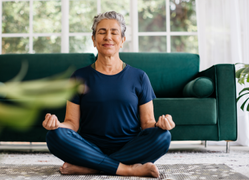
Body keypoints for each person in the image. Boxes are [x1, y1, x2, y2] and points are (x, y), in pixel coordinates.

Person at [42, 11, 175, 178]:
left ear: (122, 40)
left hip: (130, 147)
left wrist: (161, 125)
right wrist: (56, 125)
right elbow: (72, 124)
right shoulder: (79, 76)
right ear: (93, 39)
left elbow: (148, 123)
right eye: (102, 32)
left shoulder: (139, 76)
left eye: (114, 32)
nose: (108, 37)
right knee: (54, 136)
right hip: (89, 147)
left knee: (163, 136)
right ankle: (127, 169)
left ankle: (93, 166)